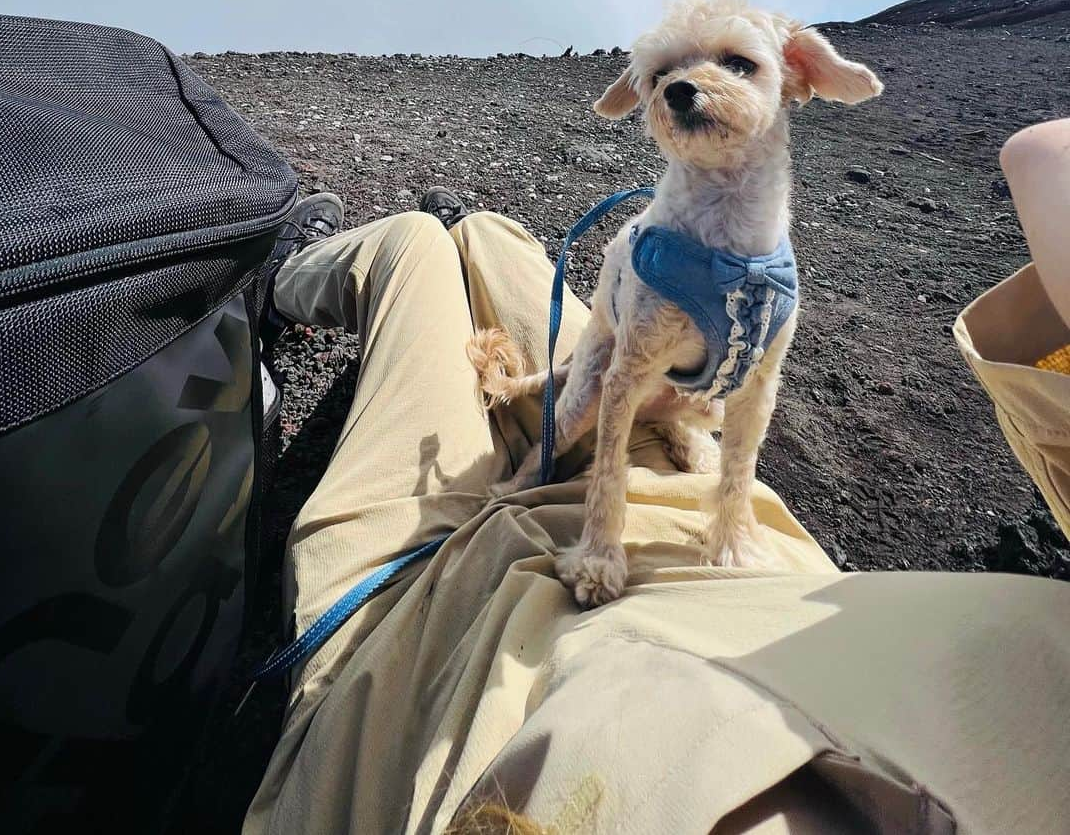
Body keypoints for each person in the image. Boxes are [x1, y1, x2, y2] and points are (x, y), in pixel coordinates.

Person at [243, 125, 1070, 835]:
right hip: (663, 478)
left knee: (415, 247)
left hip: (403, 661)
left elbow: (1048, 153)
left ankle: (276, 283)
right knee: (497, 236)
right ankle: (475, 267)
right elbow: (1044, 156)